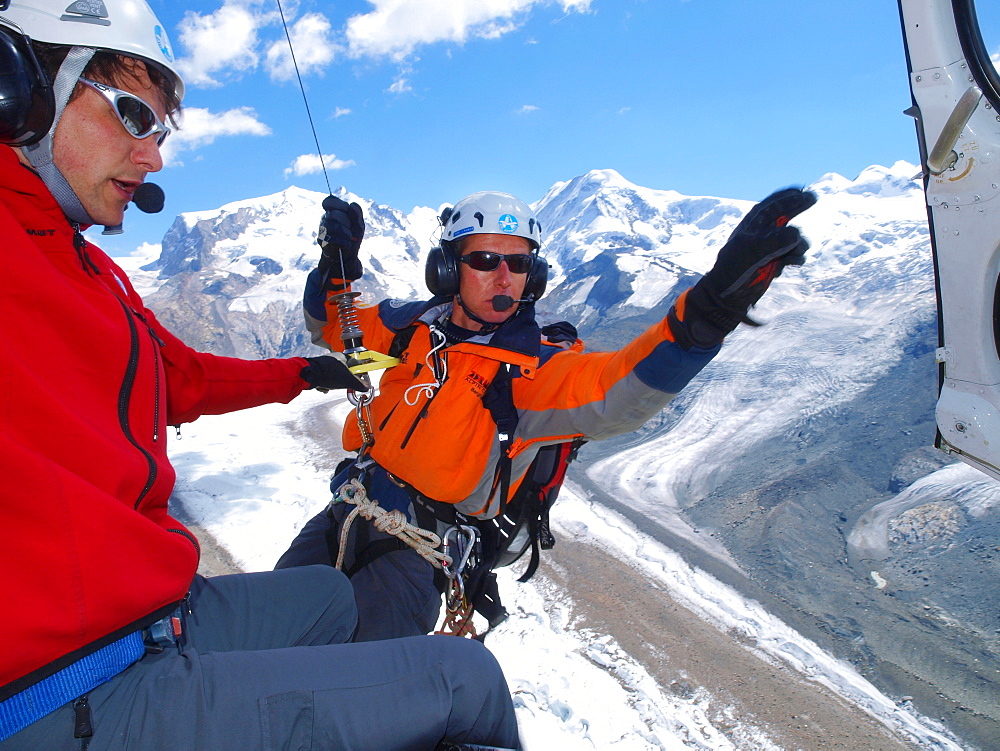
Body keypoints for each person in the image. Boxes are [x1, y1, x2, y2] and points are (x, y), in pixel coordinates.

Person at [0, 2, 520, 749]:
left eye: (160, 130)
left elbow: (176, 379)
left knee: (331, 596)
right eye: (131, 116)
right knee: (467, 685)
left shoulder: (91, 270)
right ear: (18, 87)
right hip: (70, 683)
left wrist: (307, 372)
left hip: (144, 612)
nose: (153, 158)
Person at [277, 186, 817, 642]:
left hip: (417, 557)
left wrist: (706, 315)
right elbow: (332, 326)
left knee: (345, 689)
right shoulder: (410, 328)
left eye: (519, 264)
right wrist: (335, 263)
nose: (504, 277)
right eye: (485, 261)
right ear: (447, 269)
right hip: (346, 512)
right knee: (259, 632)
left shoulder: (535, 369)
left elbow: (616, 391)